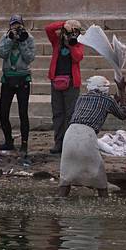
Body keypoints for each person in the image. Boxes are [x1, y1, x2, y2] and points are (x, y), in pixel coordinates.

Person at [59, 76, 126, 197]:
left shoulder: (81, 97)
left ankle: (59, 202)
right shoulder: (108, 100)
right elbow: (123, 114)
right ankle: (104, 205)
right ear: (105, 88)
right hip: (87, 136)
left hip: (70, 133)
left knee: (66, 176)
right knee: (99, 177)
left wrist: (114, 102)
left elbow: (96, 108)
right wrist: (122, 91)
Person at [46, 20, 84, 155]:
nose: (73, 34)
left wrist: (71, 44)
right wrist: (64, 25)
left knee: (71, 114)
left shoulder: (78, 43)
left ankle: (69, 143)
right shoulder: (57, 42)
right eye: (71, 31)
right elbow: (49, 28)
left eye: (75, 31)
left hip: (72, 83)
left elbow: (78, 57)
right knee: (58, 113)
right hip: (56, 81)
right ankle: (59, 142)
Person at [0, 14, 35, 153]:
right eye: (13, 25)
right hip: (8, 78)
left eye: (18, 24)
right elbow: (2, 54)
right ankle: (8, 140)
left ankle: (24, 143)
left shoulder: (29, 38)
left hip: (22, 77)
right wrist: (10, 40)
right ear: (10, 26)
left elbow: (30, 58)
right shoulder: (5, 37)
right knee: (3, 113)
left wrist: (22, 42)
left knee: (23, 113)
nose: (16, 27)